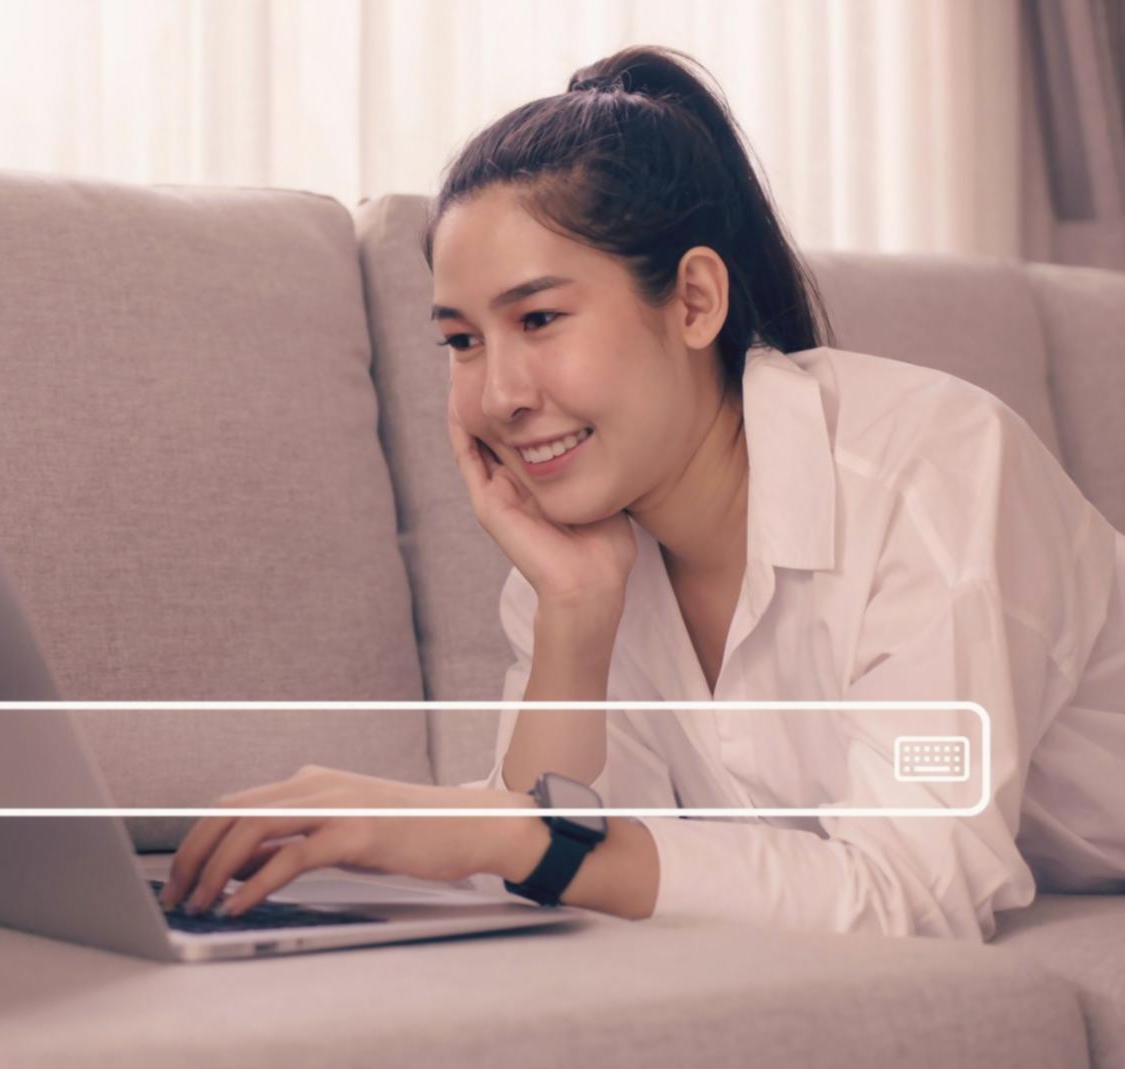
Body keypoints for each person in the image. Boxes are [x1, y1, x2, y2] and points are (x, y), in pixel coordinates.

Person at [158, 45, 1125, 942]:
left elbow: (913, 895)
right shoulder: (582, 552)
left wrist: (512, 835)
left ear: (696, 300)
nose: (499, 394)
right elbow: (572, 874)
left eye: (538, 317)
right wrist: (575, 618)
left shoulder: (929, 469)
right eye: (461, 340)